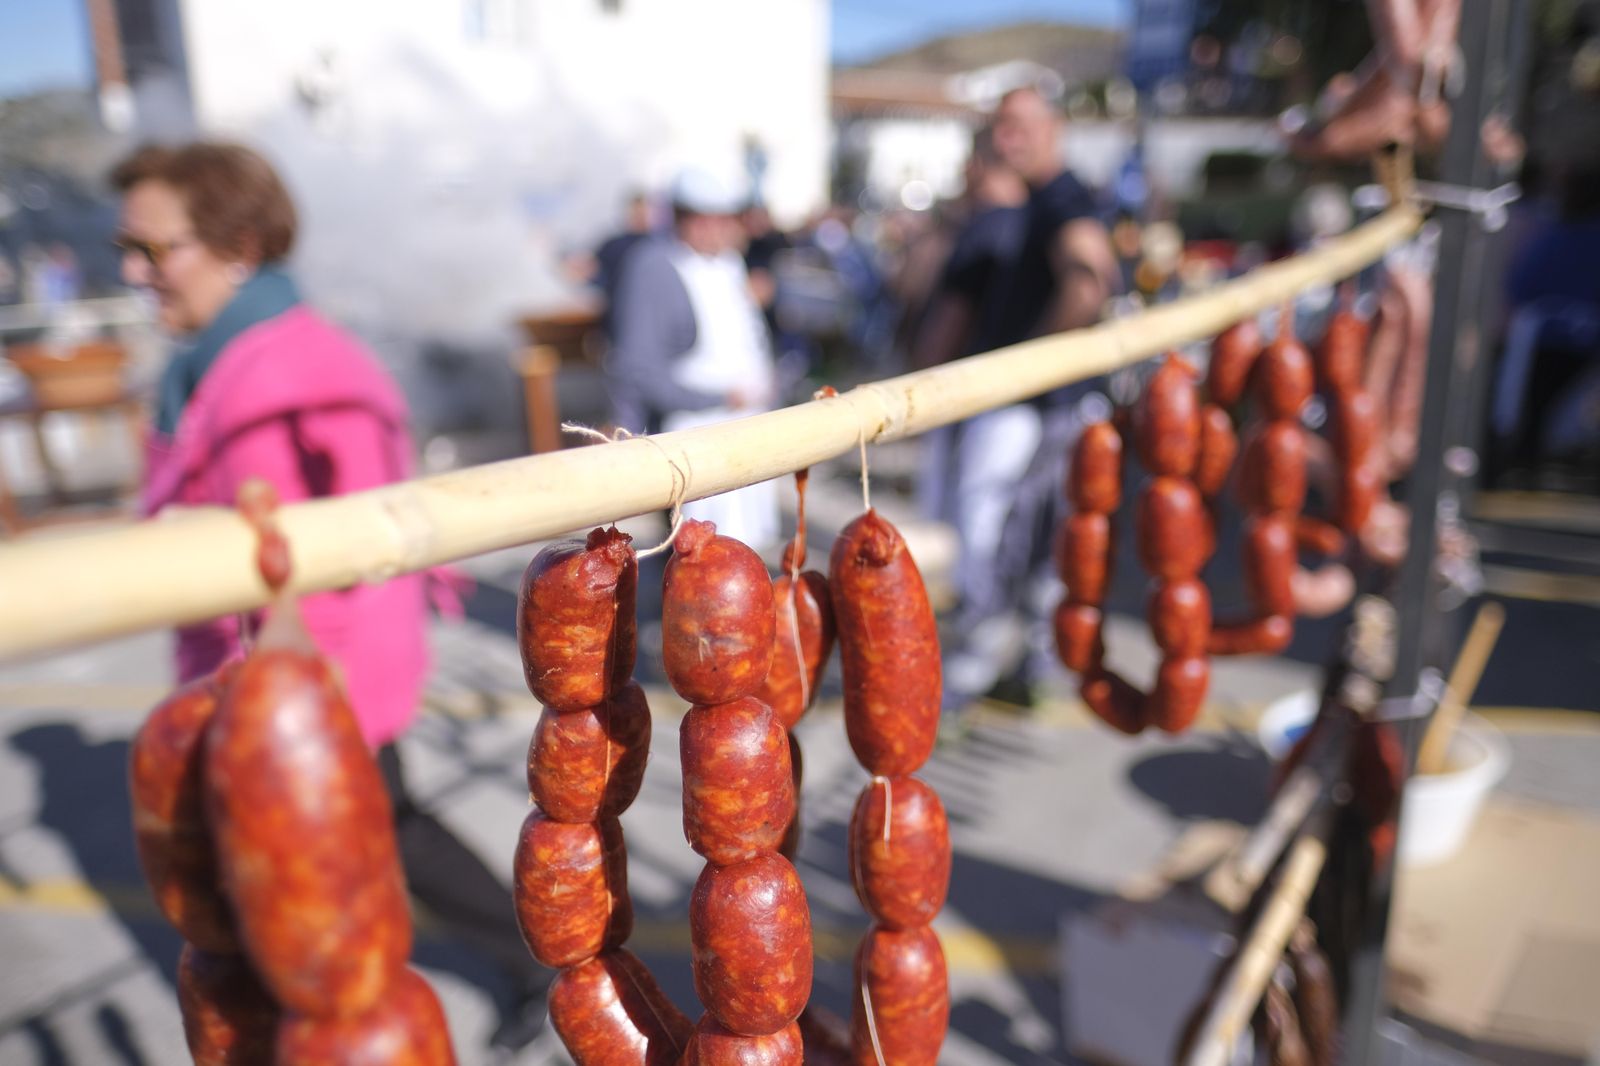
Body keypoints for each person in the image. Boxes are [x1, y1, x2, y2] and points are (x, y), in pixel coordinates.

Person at [110, 141, 547, 1052]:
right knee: (372, 832)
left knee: (381, 828)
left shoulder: (300, 365)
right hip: (271, 670)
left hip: (316, 669)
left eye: (155, 250)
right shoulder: (219, 356)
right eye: (131, 248)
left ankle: (535, 958)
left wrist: (302, 692)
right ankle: (519, 958)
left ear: (238, 245)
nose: (134, 269)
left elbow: (366, 536)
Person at [944, 86, 1119, 706]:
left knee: (997, 540)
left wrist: (1032, 362)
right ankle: (1021, 668)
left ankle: (978, 675)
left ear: (1055, 128)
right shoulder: (1039, 199)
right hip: (1036, 404)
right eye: (1000, 127)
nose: (1006, 139)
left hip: (1034, 406)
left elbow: (1090, 278)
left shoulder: (1062, 197)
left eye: (1020, 126)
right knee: (1031, 542)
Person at [608, 165, 779, 549]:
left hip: (745, 427)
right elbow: (638, 370)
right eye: (706, 220)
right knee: (702, 560)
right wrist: (717, 398)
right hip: (694, 435)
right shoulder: (652, 266)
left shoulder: (729, 262)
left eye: (727, 220)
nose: (720, 230)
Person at [909, 125, 1028, 596]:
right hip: (1010, 391)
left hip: (976, 395)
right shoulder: (1022, 220)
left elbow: (948, 314)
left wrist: (918, 394)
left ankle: (974, 632)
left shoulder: (988, 225)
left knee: (972, 526)